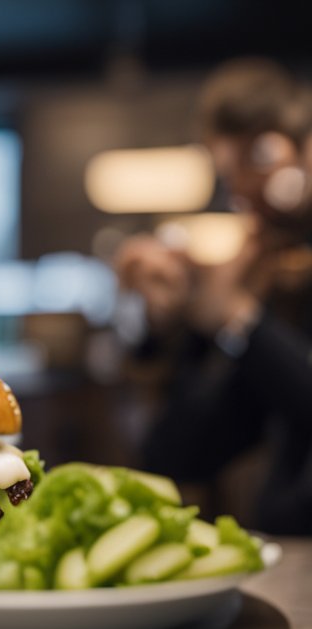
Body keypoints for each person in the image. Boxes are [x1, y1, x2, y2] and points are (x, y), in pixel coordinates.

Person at [114, 58, 312, 535]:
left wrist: (240, 319)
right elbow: (180, 451)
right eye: (229, 171)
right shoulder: (268, 271)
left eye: (258, 160)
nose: (242, 189)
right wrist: (170, 321)